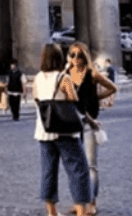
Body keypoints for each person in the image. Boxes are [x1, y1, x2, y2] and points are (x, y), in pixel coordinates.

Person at [34, 43, 91, 216]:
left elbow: (36, 98)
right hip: (65, 130)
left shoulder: (37, 77)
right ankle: (81, 210)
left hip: (44, 130)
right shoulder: (63, 78)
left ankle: (52, 212)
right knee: (78, 170)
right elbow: (73, 99)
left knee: (48, 171)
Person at [68, 43, 117, 216]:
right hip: (72, 124)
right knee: (74, 166)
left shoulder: (92, 74)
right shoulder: (66, 75)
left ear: (85, 56)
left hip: (88, 124)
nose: (75, 59)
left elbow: (113, 87)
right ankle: (79, 202)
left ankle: (92, 202)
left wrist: (96, 98)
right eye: (72, 55)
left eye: (79, 55)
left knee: (90, 165)